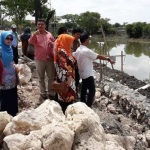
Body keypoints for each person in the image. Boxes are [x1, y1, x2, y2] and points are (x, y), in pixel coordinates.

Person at [73, 33, 115, 108]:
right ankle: (88, 106)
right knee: (92, 91)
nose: (89, 41)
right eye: (89, 39)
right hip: (88, 74)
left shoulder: (78, 49)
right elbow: (98, 56)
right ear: (86, 40)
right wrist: (108, 59)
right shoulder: (86, 51)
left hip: (82, 73)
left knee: (84, 90)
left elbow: (74, 55)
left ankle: (82, 104)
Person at [29, 19, 55, 100]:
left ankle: (51, 92)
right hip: (39, 60)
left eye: (42, 24)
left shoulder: (49, 34)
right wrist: (34, 35)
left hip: (50, 59)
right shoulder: (35, 34)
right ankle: (43, 92)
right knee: (41, 77)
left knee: (51, 77)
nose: (40, 26)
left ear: (45, 25)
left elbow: (55, 44)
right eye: (38, 24)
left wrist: (52, 43)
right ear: (37, 26)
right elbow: (30, 42)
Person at [54, 34, 76, 113]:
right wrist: (69, 76)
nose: (72, 43)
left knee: (68, 97)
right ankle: (64, 115)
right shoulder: (62, 52)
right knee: (65, 98)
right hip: (66, 78)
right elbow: (64, 66)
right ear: (66, 41)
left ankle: (66, 113)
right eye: (71, 42)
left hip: (70, 78)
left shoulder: (67, 51)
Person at [0, 31, 18, 116]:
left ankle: (12, 112)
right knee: (4, 94)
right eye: (7, 38)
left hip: (12, 76)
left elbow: (12, 60)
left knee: (12, 93)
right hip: (3, 76)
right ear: (3, 38)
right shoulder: (0, 49)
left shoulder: (9, 48)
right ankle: (4, 113)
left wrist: (15, 66)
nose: (9, 40)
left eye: (11, 39)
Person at [71, 27, 83, 94]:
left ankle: (75, 91)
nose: (79, 36)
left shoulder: (78, 42)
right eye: (77, 34)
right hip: (71, 64)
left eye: (80, 34)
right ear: (73, 34)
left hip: (76, 65)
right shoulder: (70, 42)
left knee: (77, 78)